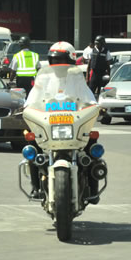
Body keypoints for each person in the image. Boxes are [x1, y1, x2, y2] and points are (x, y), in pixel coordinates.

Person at [24, 41, 98, 200]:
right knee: (32, 147)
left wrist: (95, 106)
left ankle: (93, 187)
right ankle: (36, 187)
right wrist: (27, 108)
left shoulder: (77, 79)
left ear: (71, 61)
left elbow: (88, 98)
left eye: (61, 60)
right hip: (50, 123)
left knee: (92, 145)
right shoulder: (44, 78)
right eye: (54, 61)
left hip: (73, 123)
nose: (58, 64)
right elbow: (33, 99)